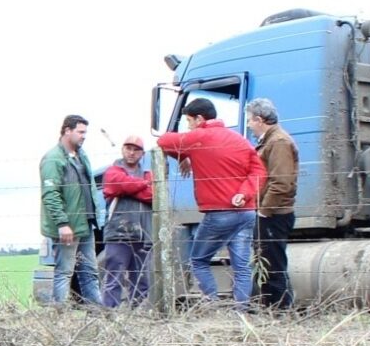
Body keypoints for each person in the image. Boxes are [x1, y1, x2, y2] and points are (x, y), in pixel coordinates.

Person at [152, 96, 265, 306]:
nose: (188, 127)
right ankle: (242, 312)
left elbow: (163, 140)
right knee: (241, 267)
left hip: (220, 213)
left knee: (198, 260)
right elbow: (258, 170)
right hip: (247, 212)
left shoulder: (199, 137)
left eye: (188, 122)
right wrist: (245, 193)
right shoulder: (239, 139)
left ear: (199, 119)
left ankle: (212, 304)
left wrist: (182, 155)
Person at [38, 114, 101, 307]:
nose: (84, 136)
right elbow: (51, 195)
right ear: (67, 131)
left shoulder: (82, 156)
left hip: (85, 224)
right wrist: (62, 224)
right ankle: (60, 315)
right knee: (64, 272)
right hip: (69, 228)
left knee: (90, 272)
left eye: (85, 132)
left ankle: (96, 314)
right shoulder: (53, 159)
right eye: (80, 132)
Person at [244, 98, 298, 311]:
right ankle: (272, 307)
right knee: (266, 262)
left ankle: (280, 310)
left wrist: (264, 211)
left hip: (275, 214)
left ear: (259, 120)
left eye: (250, 120)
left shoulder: (278, 143)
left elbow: (281, 181)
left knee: (273, 264)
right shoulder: (272, 141)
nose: (248, 125)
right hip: (271, 211)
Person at [97, 136, 152, 307]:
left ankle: (138, 318)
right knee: (114, 278)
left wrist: (130, 188)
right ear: (122, 149)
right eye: (128, 148)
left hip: (143, 235)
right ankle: (110, 316)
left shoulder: (148, 173)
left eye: (136, 149)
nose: (131, 152)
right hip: (118, 234)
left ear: (142, 154)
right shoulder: (113, 171)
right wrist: (143, 184)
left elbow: (154, 194)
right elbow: (119, 184)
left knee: (142, 280)